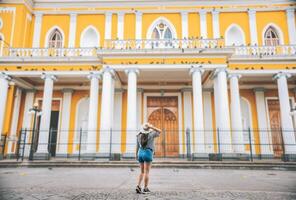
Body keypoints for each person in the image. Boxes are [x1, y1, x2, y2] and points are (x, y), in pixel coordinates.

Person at [135, 122, 161, 194]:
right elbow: (159, 131)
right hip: (148, 152)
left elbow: (137, 146)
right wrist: (151, 127)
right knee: (147, 172)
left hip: (140, 152)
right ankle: (145, 188)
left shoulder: (139, 135)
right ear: (149, 129)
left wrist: (136, 155)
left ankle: (138, 186)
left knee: (142, 172)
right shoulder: (151, 134)